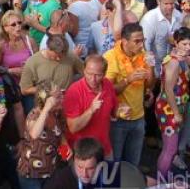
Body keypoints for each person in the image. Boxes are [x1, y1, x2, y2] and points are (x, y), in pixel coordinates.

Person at [15, 81, 67, 189]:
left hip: (50, 171)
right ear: (46, 99)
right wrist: (46, 109)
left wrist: (66, 149)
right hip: (32, 174)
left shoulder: (57, 113)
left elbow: (60, 135)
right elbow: (34, 133)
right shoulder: (34, 115)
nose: (61, 98)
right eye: (57, 96)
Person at [104, 23, 153, 165]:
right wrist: (128, 80)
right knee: (115, 163)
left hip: (139, 117)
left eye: (143, 40)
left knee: (133, 162)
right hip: (118, 120)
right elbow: (107, 91)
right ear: (125, 41)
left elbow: (149, 84)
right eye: (137, 41)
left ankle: (132, 178)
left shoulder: (143, 55)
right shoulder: (110, 57)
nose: (141, 45)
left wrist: (151, 67)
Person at [63, 54, 117, 157]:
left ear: (104, 74)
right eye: (89, 74)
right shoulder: (74, 91)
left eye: (98, 75)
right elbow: (73, 128)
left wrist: (121, 111)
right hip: (82, 154)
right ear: (84, 71)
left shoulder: (108, 85)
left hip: (104, 148)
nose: (93, 79)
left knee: (112, 168)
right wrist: (91, 110)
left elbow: (114, 113)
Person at [155, 27, 190, 180]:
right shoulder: (174, 62)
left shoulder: (183, 59)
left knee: (171, 148)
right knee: (169, 149)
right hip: (168, 109)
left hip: (177, 106)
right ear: (176, 43)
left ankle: (164, 180)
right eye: (184, 44)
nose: (188, 47)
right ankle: (161, 183)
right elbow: (168, 89)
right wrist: (176, 113)